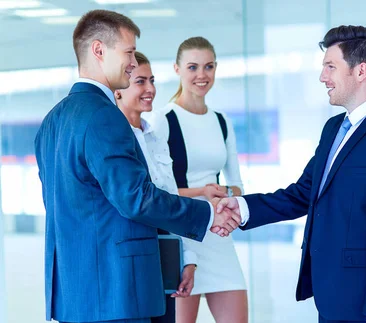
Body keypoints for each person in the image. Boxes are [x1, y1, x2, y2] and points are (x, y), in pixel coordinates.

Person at [34, 10, 240, 323]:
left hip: (75, 295)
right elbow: (136, 198)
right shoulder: (104, 116)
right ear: (99, 50)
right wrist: (207, 213)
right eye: (128, 52)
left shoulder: (51, 122)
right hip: (117, 292)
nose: (132, 62)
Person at [217, 25, 366, 323]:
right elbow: (304, 193)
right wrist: (244, 207)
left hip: (364, 303)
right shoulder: (333, 129)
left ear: (361, 71)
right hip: (329, 294)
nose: (322, 77)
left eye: (330, 66)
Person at [155, 36, 248, 323]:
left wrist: (222, 192)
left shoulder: (222, 121)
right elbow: (160, 192)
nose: (201, 75)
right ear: (177, 69)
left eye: (208, 67)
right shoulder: (163, 119)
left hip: (219, 236)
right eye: (193, 67)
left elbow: (238, 186)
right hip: (185, 238)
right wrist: (203, 191)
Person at [114, 51, 197, 323]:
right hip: (132, 263)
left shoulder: (156, 135)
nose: (150, 89)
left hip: (165, 258)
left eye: (152, 80)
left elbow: (171, 199)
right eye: (140, 81)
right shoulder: (114, 141)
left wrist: (189, 259)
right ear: (118, 92)